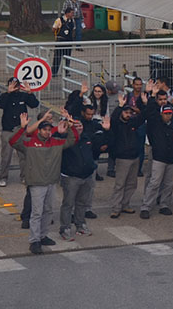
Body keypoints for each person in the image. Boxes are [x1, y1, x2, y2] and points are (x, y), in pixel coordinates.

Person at [9, 109, 79, 254]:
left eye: (49, 129)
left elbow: (73, 140)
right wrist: (22, 128)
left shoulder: (57, 142)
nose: (47, 132)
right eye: (44, 129)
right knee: (37, 212)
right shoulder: (29, 143)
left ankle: (43, 235)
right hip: (36, 183)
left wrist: (71, 127)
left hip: (51, 182)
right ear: (39, 130)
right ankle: (34, 240)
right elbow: (13, 141)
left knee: (48, 211)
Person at [60, 102, 106, 241]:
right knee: (68, 204)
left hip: (87, 176)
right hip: (71, 177)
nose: (79, 128)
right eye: (76, 125)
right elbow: (57, 136)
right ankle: (65, 228)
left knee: (82, 203)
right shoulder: (65, 139)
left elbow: (103, 144)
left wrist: (108, 130)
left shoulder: (87, 138)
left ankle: (80, 225)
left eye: (80, 126)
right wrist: (64, 121)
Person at [140, 83, 173, 218]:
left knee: (169, 184)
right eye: (165, 113)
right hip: (159, 157)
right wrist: (152, 97)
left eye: (170, 113)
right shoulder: (155, 123)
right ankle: (146, 206)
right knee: (154, 182)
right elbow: (149, 113)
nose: (168, 115)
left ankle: (165, 205)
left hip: (172, 159)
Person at [0, 77, 39, 187]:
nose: (15, 88)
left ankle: (25, 177)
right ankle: (3, 177)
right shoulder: (5, 96)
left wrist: (30, 92)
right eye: (12, 85)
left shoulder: (23, 96)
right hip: (8, 130)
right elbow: (0, 105)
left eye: (17, 85)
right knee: (6, 156)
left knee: (24, 155)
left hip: (21, 131)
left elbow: (34, 104)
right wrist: (8, 93)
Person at [50, 6, 77, 74]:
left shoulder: (72, 20)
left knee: (67, 57)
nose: (73, 14)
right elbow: (53, 29)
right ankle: (54, 72)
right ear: (67, 13)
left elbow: (73, 29)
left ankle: (66, 71)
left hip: (68, 41)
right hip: (60, 40)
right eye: (71, 13)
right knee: (57, 57)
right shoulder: (59, 20)